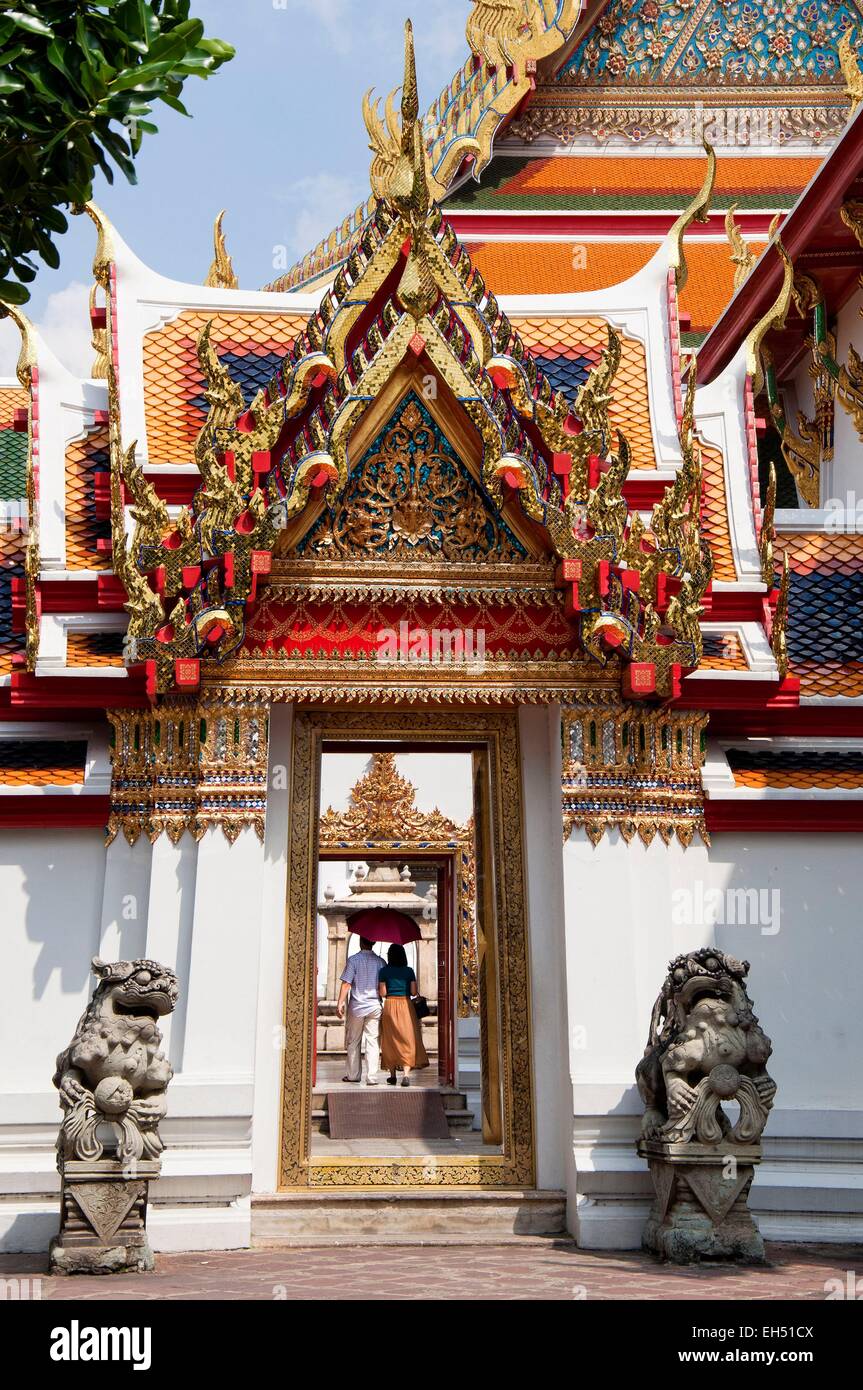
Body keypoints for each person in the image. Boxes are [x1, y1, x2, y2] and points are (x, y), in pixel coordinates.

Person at [378, 943, 429, 1087]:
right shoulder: (409, 971)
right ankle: (406, 1074)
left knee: (390, 1040)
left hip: (390, 1005)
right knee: (407, 1039)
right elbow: (413, 992)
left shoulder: (384, 971)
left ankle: (392, 1075)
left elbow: (383, 993)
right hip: (406, 1006)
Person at [337, 937, 384, 1085]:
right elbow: (383, 987)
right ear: (374, 943)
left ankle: (353, 1075)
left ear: (360, 942)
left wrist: (339, 1003)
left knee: (353, 1041)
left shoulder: (353, 960)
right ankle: (372, 1077)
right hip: (375, 1006)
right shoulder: (381, 962)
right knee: (373, 1041)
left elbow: (346, 984)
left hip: (357, 1006)